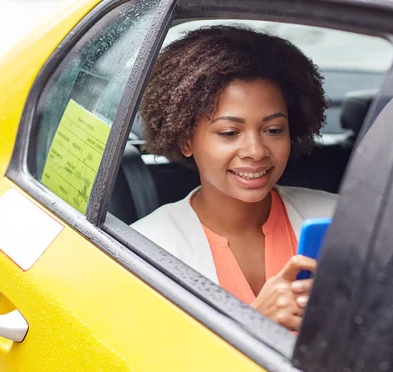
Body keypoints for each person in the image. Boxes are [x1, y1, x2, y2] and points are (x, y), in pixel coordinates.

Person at [132, 25, 337, 331]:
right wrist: (256, 325)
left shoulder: (339, 219)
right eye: (229, 133)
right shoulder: (145, 250)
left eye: (273, 130)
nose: (255, 151)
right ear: (185, 139)